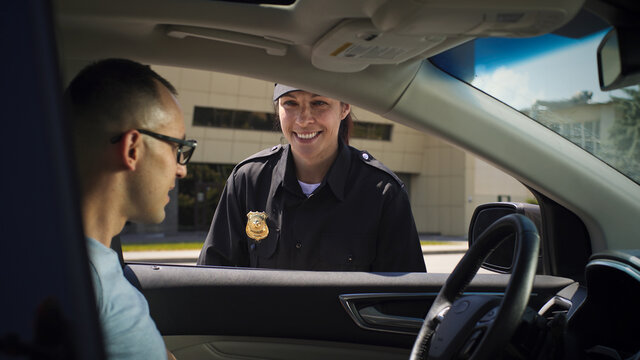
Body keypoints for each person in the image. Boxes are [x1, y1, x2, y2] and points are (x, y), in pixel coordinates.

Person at [197, 84, 426, 272]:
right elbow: (211, 280)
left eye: (319, 103)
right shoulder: (247, 181)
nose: (303, 119)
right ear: (278, 108)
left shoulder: (382, 193)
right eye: (290, 103)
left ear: (344, 107)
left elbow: (403, 303)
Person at [65, 58, 197, 359]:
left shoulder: (90, 267)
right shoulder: (86, 287)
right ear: (132, 149)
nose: (182, 170)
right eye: (177, 148)